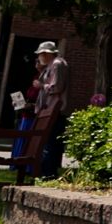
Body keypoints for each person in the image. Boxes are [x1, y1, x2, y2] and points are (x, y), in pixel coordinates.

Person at [16, 41, 66, 185]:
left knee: (50, 146)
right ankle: (45, 175)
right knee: (47, 145)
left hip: (54, 111)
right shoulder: (51, 66)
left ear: (47, 53)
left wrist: (41, 85)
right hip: (47, 110)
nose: (39, 57)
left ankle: (48, 175)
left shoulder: (57, 64)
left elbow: (57, 87)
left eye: (41, 54)